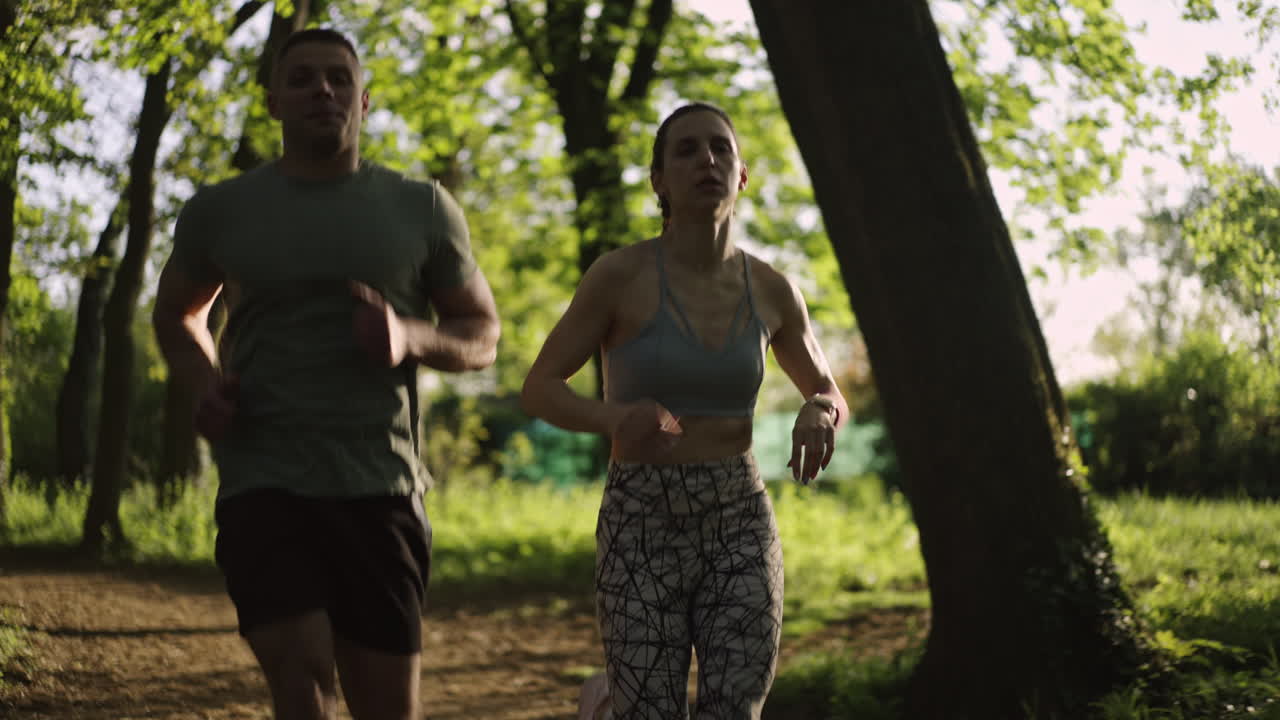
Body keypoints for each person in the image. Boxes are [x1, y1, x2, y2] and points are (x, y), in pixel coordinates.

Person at [152, 28, 500, 720]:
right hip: (263, 476)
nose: (322, 90)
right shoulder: (220, 211)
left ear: (364, 101)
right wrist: (204, 381)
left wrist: (409, 335)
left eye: (338, 78)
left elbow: (481, 333)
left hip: (380, 481)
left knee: (385, 706)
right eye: (304, 78)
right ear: (273, 102)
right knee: (303, 676)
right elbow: (176, 317)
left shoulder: (421, 207)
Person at [521, 101, 849, 720]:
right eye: (687, 150)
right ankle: (606, 701)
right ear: (658, 181)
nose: (707, 160)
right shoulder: (618, 276)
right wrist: (613, 419)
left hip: (738, 517)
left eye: (721, 148)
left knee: (734, 709)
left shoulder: (774, 289)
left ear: (743, 175)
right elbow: (539, 387)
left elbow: (829, 391)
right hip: (640, 517)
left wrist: (819, 411)